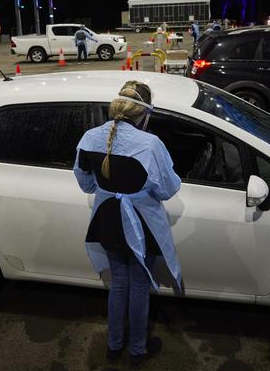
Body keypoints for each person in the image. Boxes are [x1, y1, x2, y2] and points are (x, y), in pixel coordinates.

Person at [73, 81, 182, 368]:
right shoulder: (150, 144)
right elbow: (168, 189)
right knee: (138, 284)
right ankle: (137, 350)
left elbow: (85, 183)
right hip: (140, 221)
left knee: (118, 283)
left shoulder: (89, 137)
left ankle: (113, 346)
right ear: (144, 115)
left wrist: (108, 188)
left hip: (107, 218)